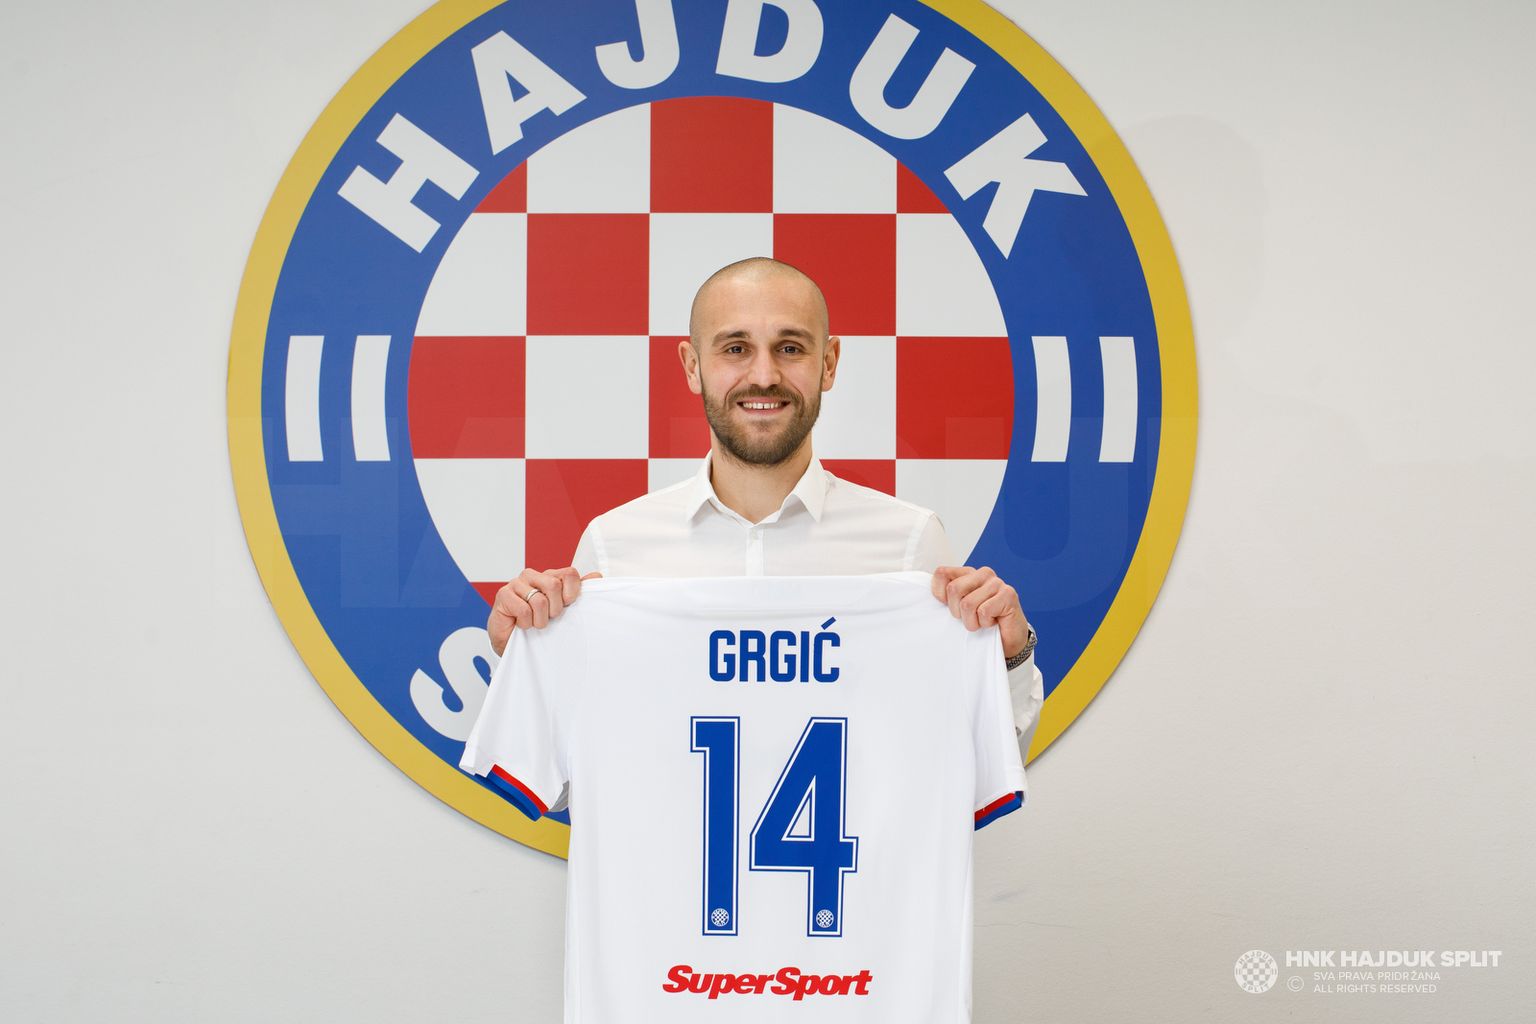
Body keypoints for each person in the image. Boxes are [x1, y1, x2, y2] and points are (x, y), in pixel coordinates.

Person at [486, 256, 1043, 751]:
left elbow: (976, 768)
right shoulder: (614, 545)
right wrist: (525, 662)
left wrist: (1011, 656)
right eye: (735, 349)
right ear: (691, 365)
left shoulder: (909, 542)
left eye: (790, 348)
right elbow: (563, 785)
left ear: (829, 363)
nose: (763, 376)